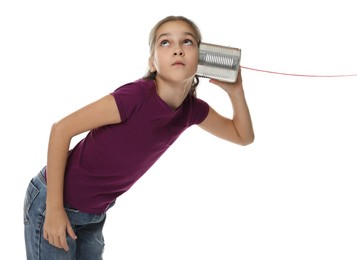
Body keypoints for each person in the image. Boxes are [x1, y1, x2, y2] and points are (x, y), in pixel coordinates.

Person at [23, 15, 254, 259]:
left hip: (93, 214)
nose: (177, 49)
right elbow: (61, 130)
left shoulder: (191, 110)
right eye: (165, 43)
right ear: (152, 63)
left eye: (187, 42)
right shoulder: (135, 97)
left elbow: (243, 136)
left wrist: (236, 92)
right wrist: (54, 209)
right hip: (54, 201)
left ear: (202, 58)